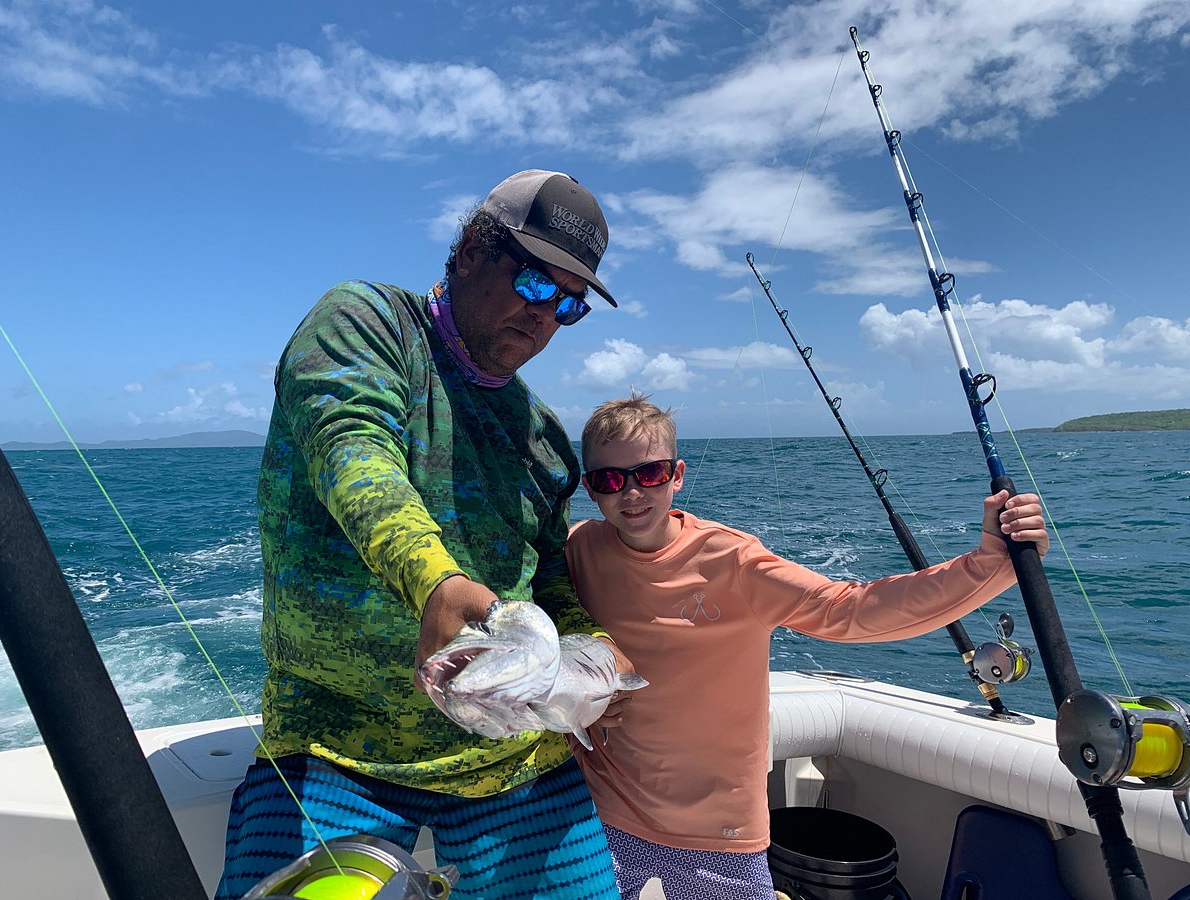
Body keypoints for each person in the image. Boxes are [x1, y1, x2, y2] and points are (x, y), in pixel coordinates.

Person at [215, 170, 634, 900]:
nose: (547, 318)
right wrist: (434, 580)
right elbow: (354, 451)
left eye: (571, 306)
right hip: (338, 748)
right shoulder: (365, 324)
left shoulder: (542, 438)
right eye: (538, 285)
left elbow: (552, 583)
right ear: (473, 248)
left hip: (517, 761)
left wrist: (597, 653)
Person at [564, 393, 1051, 900]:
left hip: (720, 829)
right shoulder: (580, 549)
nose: (632, 492)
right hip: (603, 808)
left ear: (677, 475)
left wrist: (991, 562)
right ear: (590, 489)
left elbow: (853, 610)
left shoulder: (734, 560)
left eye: (650, 473)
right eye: (610, 479)